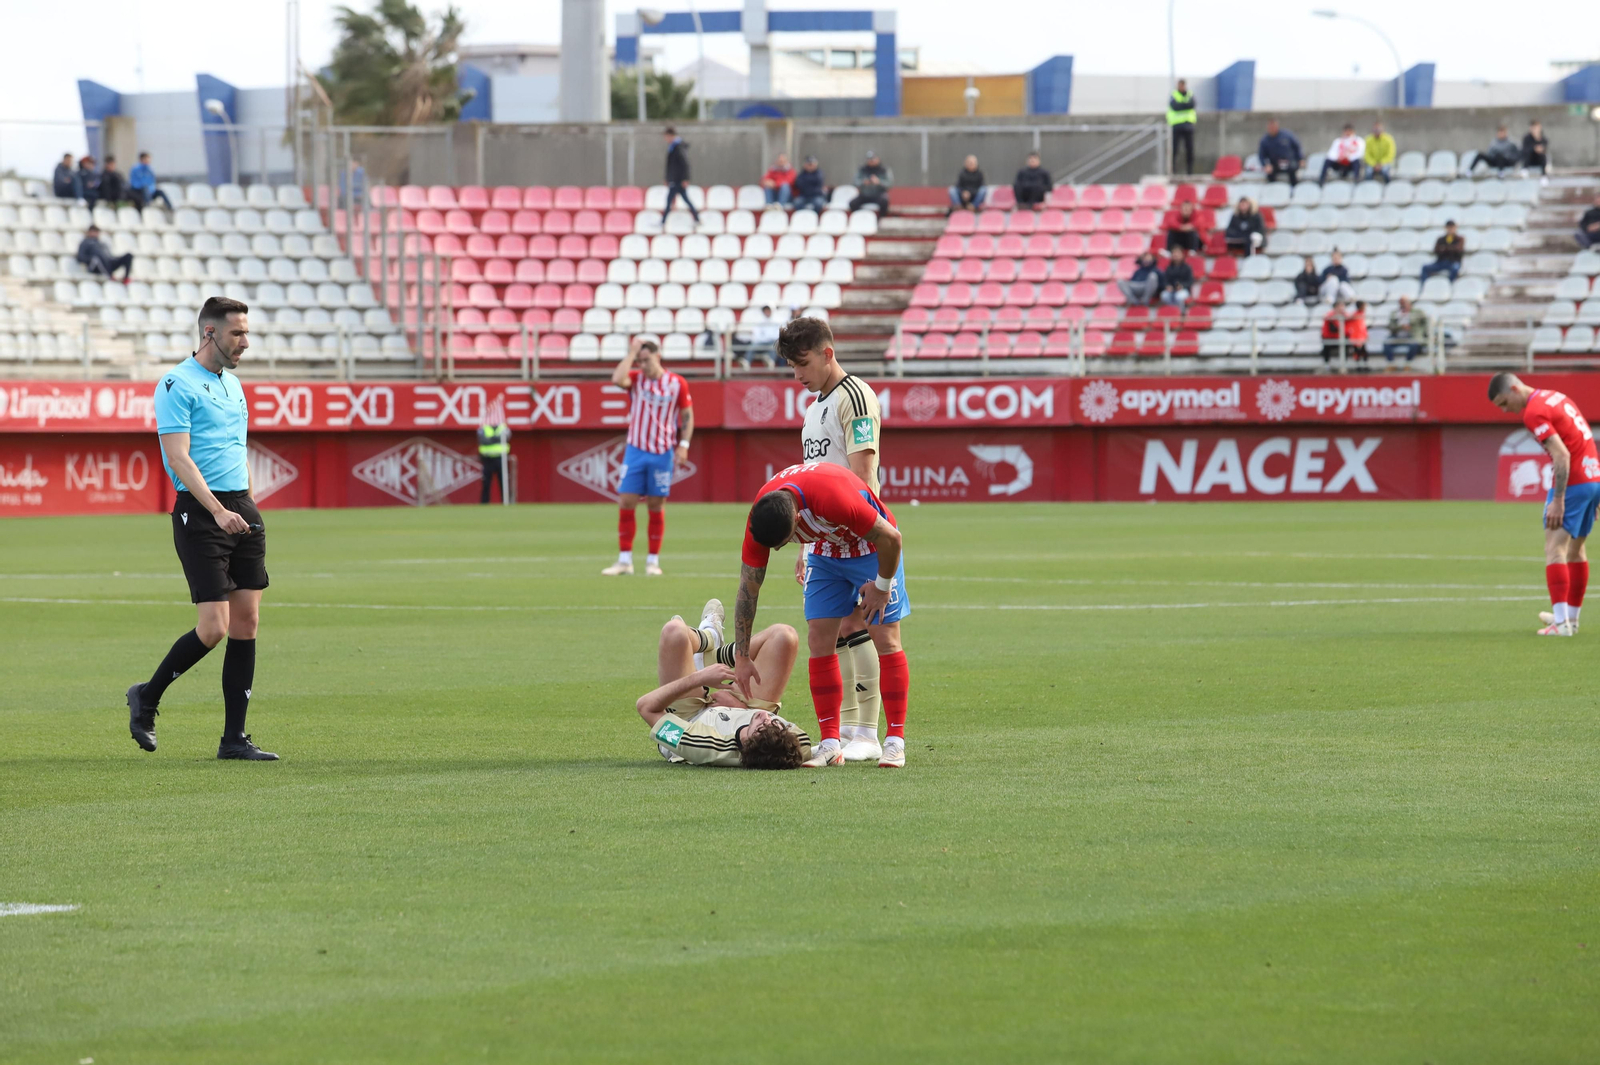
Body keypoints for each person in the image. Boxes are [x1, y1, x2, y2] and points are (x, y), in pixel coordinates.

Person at [126, 296, 277, 761]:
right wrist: (217, 510)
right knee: (213, 627)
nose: (245, 343)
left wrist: (246, 506)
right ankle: (145, 697)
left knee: (247, 623)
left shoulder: (233, 386)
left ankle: (234, 740)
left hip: (240, 508)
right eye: (237, 333)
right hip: (200, 511)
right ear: (210, 332)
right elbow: (178, 458)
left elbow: (236, 450)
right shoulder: (176, 384)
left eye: (247, 333)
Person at [734, 461, 910, 768]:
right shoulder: (761, 518)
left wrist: (882, 587)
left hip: (871, 547)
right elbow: (748, 589)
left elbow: (891, 538)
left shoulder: (833, 497)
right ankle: (830, 743)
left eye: (786, 541)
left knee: (885, 637)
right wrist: (742, 655)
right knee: (819, 639)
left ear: (800, 518)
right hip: (826, 551)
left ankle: (895, 741)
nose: (779, 550)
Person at [782, 316, 885, 763]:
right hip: (824, 542)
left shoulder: (856, 398)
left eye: (802, 363)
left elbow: (862, 476)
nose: (798, 374)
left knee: (858, 624)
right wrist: (809, 544)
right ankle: (842, 732)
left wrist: (857, 541)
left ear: (827, 354)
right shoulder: (813, 408)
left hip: (858, 537)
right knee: (827, 631)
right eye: (791, 366)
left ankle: (867, 732)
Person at [636, 598, 812, 769]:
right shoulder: (793, 744)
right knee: (784, 636)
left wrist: (701, 678)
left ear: (745, 742)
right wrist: (744, 710)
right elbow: (791, 738)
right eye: (775, 722)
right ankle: (712, 658)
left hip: (690, 717)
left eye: (763, 724)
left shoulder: (699, 745)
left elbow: (646, 707)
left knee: (674, 631)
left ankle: (709, 638)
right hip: (744, 706)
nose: (766, 717)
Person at [1487, 374, 1600, 636]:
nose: (1506, 410)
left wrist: (1559, 499)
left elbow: (1561, 454)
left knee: (1554, 548)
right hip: (1592, 475)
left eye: (1504, 402)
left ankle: (1561, 625)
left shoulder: (1533, 412)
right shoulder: (1556, 396)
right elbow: (1584, 439)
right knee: (1575, 550)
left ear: (1515, 389)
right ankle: (1570, 618)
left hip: (1574, 481)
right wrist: (1593, 487)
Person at [602, 338, 693, 577]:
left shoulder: (676, 383)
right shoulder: (635, 379)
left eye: (646, 360)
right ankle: (624, 560)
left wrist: (684, 444)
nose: (643, 365)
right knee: (626, 501)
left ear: (658, 356)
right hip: (636, 450)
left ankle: (652, 561)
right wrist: (632, 353)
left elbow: (687, 415)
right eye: (639, 361)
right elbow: (616, 379)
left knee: (655, 505)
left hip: (662, 452)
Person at [661, 127, 699, 224]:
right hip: (674, 179)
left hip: (678, 180)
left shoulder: (678, 147)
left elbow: (685, 163)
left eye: (666, 136)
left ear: (671, 136)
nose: (665, 139)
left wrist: (685, 178)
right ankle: (697, 218)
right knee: (678, 200)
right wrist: (668, 178)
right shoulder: (673, 147)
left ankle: (663, 221)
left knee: (671, 200)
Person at [477, 402, 510, 504]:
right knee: (486, 482)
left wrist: (491, 439)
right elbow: (483, 440)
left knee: (504, 482)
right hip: (487, 459)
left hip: (501, 459)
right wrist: (496, 438)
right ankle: (484, 503)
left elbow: (506, 438)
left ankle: (507, 502)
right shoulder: (483, 428)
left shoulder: (503, 428)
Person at [1382, 296, 1429, 365]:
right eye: (1401, 303)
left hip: (1413, 336)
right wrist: (1400, 327)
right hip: (1397, 336)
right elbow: (1390, 326)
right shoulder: (1394, 313)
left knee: (1414, 344)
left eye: (1404, 303)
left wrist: (1426, 334)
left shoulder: (1418, 312)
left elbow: (1426, 323)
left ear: (1409, 303)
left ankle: (1408, 363)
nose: (1402, 305)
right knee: (1386, 343)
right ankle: (1391, 364)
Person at [1257, 118, 1303, 186]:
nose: (1272, 129)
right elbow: (1261, 155)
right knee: (1270, 173)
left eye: (1273, 127)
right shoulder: (1265, 140)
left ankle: (1294, 189)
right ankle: (1273, 189)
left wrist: (1301, 159)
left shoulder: (1287, 135)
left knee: (1293, 171)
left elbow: (1297, 147)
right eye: (1270, 128)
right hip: (1275, 164)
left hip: (1289, 162)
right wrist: (1265, 165)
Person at [1167, 78, 1197, 175]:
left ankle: (1190, 171)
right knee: (1174, 150)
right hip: (1177, 126)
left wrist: (1182, 105)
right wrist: (1185, 105)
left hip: (1188, 126)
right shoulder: (1174, 95)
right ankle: (1173, 171)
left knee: (1189, 150)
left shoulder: (1190, 94)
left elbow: (1192, 104)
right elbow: (1175, 106)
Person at [1321, 300, 1356, 365]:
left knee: (1351, 344)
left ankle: (1344, 365)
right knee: (1326, 347)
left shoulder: (1345, 315)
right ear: (1336, 307)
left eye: (1343, 306)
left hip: (1341, 338)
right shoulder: (1330, 315)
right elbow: (1329, 322)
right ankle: (1327, 365)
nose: (1342, 308)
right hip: (1330, 338)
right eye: (1341, 306)